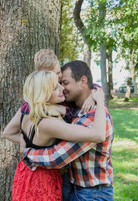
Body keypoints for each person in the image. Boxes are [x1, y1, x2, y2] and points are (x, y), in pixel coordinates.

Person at [6, 69, 106, 201]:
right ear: (43, 94)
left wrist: (27, 146)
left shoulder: (26, 111)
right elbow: (98, 135)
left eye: (60, 83)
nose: (61, 89)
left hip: (25, 173)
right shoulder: (48, 123)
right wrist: (100, 102)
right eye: (55, 88)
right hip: (42, 181)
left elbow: (7, 133)